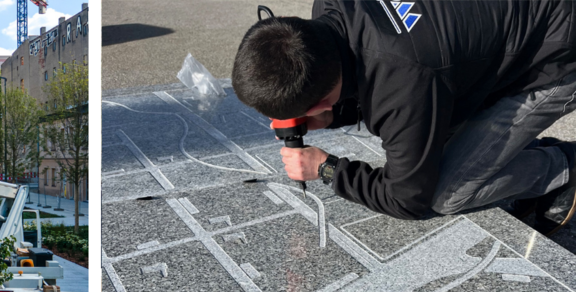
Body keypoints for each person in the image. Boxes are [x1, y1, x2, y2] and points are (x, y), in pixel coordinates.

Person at [232, 1, 576, 235]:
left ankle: (564, 165)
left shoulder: (406, 82)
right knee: (437, 145)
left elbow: (408, 198)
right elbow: (368, 70)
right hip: (506, 27)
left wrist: (325, 168)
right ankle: (512, 153)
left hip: (558, 56)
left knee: (446, 192)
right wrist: (333, 115)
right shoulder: (330, 12)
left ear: (319, 101)